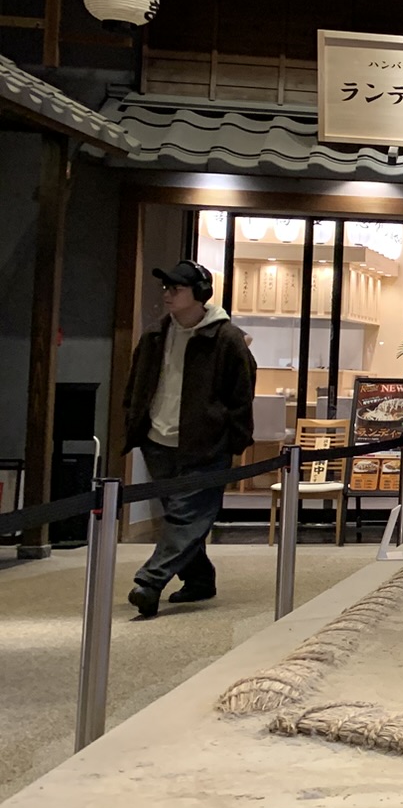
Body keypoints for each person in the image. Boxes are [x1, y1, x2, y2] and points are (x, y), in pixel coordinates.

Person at [121, 260, 256, 619]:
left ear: (199, 294)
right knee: (181, 515)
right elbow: (136, 384)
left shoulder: (226, 338)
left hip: (205, 443)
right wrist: (134, 421)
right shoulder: (155, 334)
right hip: (157, 440)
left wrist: (234, 441)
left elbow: (241, 395)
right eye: (166, 288)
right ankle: (199, 579)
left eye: (176, 289)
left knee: (186, 516)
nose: (167, 295)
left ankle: (150, 582)